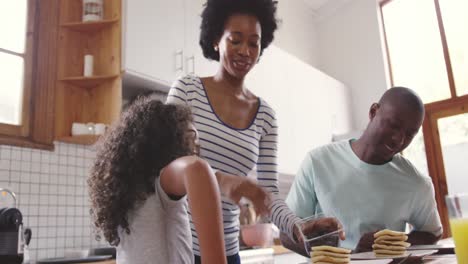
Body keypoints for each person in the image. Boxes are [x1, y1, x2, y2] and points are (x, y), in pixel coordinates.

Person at [166, 0, 343, 262]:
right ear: (217, 39)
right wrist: (221, 180)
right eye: (235, 40)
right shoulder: (187, 90)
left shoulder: (265, 117)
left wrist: (297, 226)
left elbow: (268, 195)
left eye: (253, 42)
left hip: (228, 254)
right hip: (177, 249)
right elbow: (163, 162)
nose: (245, 51)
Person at [88, 96, 270, 264]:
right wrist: (221, 179)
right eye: (191, 137)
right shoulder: (161, 184)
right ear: (164, 142)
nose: (196, 147)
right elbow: (195, 168)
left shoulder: (129, 195)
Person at [283, 87, 443, 253]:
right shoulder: (317, 161)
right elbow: (286, 235)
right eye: (394, 125)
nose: (399, 139)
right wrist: (347, 256)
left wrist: (392, 243)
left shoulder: (417, 183)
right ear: (374, 112)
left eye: (410, 134)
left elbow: (432, 233)